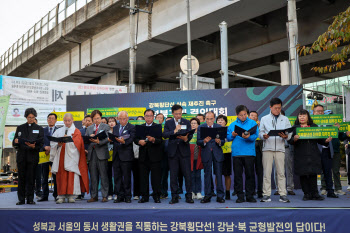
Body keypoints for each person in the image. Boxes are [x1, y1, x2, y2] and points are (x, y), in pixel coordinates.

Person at [288, 109, 332, 201]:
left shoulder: (314, 126)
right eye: (300, 116)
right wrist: (294, 139)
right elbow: (290, 141)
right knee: (303, 174)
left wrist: (326, 141)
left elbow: (319, 139)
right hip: (300, 155)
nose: (302, 117)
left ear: (308, 117)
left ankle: (315, 194)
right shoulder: (295, 128)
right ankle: (307, 194)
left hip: (313, 154)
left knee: (313, 174)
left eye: (304, 115)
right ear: (298, 118)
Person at [50, 113, 89, 204]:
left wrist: (68, 140)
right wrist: (58, 144)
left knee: (71, 175)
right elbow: (53, 142)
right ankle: (61, 196)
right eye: (65, 120)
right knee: (61, 176)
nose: (67, 122)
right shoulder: (59, 131)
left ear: (73, 120)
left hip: (72, 156)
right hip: (60, 156)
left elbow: (78, 144)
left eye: (69, 120)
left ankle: (71, 195)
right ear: (63, 121)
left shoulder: (76, 131)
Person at [259, 97, 291, 203]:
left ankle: (283, 194)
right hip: (267, 148)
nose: (278, 110)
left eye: (279, 108)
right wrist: (264, 136)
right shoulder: (264, 119)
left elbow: (290, 133)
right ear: (270, 107)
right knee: (267, 173)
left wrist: (286, 136)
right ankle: (266, 195)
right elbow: (260, 133)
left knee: (281, 173)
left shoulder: (285, 119)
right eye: (276, 108)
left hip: (280, 149)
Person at [163, 104, 194, 204]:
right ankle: (174, 196)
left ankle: (189, 196)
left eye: (180, 113)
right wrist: (174, 131)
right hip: (172, 153)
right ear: (172, 113)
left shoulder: (186, 122)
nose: (178, 115)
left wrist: (186, 139)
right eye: (176, 114)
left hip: (184, 152)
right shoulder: (168, 123)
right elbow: (164, 135)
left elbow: (191, 134)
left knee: (187, 175)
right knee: (173, 176)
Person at [227, 105, 259, 203]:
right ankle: (240, 196)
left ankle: (249, 196)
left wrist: (248, 137)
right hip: (237, 153)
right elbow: (228, 138)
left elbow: (255, 136)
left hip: (249, 153)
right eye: (241, 115)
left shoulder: (253, 123)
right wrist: (232, 135)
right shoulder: (232, 125)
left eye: (245, 114)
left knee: (250, 175)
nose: (243, 116)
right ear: (237, 115)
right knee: (238, 176)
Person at [13, 108, 44, 205]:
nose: (30, 119)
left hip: (33, 156)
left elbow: (41, 143)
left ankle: (30, 199)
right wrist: (16, 142)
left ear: (35, 117)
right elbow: (15, 142)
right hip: (21, 156)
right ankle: (21, 199)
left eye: (32, 117)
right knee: (21, 178)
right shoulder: (20, 128)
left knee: (31, 178)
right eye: (29, 117)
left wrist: (34, 146)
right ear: (26, 117)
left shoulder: (39, 128)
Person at [134, 109, 163, 203]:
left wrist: (153, 139)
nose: (148, 118)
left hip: (155, 157)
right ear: (144, 117)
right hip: (143, 157)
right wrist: (139, 142)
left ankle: (156, 196)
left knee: (156, 178)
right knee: (143, 178)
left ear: (153, 117)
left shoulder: (157, 127)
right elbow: (135, 139)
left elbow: (160, 141)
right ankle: (144, 197)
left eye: (150, 116)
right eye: (146, 116)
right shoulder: (139, 127)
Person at [197, 111, 225, 203]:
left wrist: (219, 142)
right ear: (205, 119)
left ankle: (220, 196)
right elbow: (198, 141)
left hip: (217, 154)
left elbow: (223, 141)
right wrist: (204, 141)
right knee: (207, 175)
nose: (209, 121)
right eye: (207, 119)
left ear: (214, 118)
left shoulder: (219, 127)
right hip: (206, 154)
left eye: (211, 119)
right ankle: (207, 195)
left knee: (219, 175)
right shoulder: (201, 127)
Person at [313, 105, 338, 198]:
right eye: (318, 111)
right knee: (314, 172)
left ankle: (330, 191)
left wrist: (336, 129)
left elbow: (335, 134)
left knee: (328, 171)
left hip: (327, 149)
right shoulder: (311, 124)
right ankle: (314, 191)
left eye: (322, 111)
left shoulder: (329, 123)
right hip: (315, 151)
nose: (320, 113)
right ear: (313, 112)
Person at [86, 110, 110, 203]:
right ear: (92, 119)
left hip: (102, 154)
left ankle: (104, 196)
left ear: (101, 118)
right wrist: (89, 138)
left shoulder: (106, 126)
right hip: (92, 154)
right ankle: (94, 196)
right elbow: (86, 140)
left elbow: (108, 139)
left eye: (98, 118)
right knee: (93, 176)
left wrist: (99, 141)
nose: (97, 120)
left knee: (104, 176)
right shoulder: (89, 128)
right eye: (95, 118)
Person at [112, 111, 136, 203]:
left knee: (126, 177)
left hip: (126, 156)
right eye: (120, 119)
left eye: (124, 119)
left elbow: (131, 139)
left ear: (127, 118)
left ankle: (128, 196)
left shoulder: (132, 127)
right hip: (116, 156)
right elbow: (114, 140)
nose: (122, 120)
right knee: (117, 177)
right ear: (117, 119)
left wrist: (124, 142)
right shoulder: (115, 127)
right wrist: (111, 139)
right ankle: (119, 195)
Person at [273, 110, 295, 196]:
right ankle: (278, 189)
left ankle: (290, 188)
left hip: (286, 148)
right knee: (276, 170)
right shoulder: (271, 124)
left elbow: (291, 138)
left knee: (288, 169)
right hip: (275, 149)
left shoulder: (287, 124)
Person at [38, 113, 58, 202]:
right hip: (44, 156)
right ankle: (44, 195)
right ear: (47, 120)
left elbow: (60, 142)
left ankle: (56, 195)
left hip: (55, 156)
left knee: (55, 176)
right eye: (49, 118)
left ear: (56, 120)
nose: (51, 120)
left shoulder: (59, 130)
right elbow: (39, 141)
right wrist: (45, 147)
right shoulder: (42, 130)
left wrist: (51, 148)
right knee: (44, 176)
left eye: (52, 118)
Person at [77, 114, 93, 200]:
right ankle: (80, 193)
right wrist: (83, 150)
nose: (87, 122)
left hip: (93, 155)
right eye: (86, 120)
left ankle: (93, 194)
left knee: (93, 176)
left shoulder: (95, 130)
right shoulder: (79, 131)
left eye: (89, 121)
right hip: (81, 155)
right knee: (81, 175)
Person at [216, 114, 232, 200]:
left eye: (222, 120)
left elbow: (231, 139)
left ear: (226, 122)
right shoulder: (213, 130)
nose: (220, 121)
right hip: (216, 153)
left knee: (227, 174)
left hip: (227, 153)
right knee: (217, 174)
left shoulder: (229, 130)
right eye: (218, 120)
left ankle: (228, 192)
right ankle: (218, 191)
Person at [249, 111, 263, 198]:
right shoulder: (246, 125)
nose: (253, 117)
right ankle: (252, 190)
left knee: (260, 172)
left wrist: (259, 126)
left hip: (259, 150)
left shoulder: (261, 125)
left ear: (257, 118)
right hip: (249, 151)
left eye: (255, 116)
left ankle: (260, 191)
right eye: (251, 115)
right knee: (250, 171)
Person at [189, 118, 203, 200]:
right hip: (189, 158)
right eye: (192, 123)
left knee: (197, 175)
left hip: (198, 158)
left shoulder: (200, 134)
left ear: (198, 125)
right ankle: (191, 192)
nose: (193, 124)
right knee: (191, 176)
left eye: (195, 123)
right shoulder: (187, 134)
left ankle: (198, 192)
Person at [132, 116, 144, 200]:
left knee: (143, 177)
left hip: (144, 157)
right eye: (138, 121)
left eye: (141, 121)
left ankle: (143, 193)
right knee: (136, 176)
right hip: (134, 157)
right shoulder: (133, 133)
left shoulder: (145, 132)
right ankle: (136, 194)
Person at [160, 116, 172, 199]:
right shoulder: (162, 132)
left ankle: (177, 193)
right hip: (164, 156)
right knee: (163, 175)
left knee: (176, 175)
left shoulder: (177, 131)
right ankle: (163, 192)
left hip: (175, 155)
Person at [107, 117, 117, 200]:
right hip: (108, 155)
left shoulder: (118, 131)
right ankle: (110, 193)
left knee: (117, 175)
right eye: (109, 122)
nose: (111, 123)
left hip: (117, 155)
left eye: (113, 121)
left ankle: (117, 193)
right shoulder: (106, 132)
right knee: (109, 175)